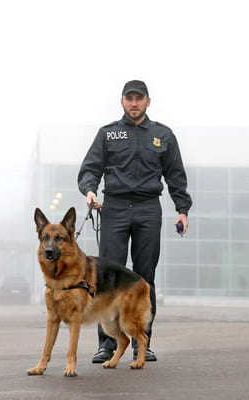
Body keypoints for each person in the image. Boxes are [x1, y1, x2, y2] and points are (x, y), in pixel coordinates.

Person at [77, 80, 192, 363]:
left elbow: (175, 174)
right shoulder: (108, 134)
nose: (134, 103)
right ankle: (107, 344)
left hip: (148, 209)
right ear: (122, 101)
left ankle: (143, 343)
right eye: (129, 98)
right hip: (114, 207)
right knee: (107, 277)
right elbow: (90, 168)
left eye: (139, 98)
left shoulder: (163, 135)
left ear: (147, 102)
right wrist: (90, 191)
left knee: (144, 278)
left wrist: (182, 209)